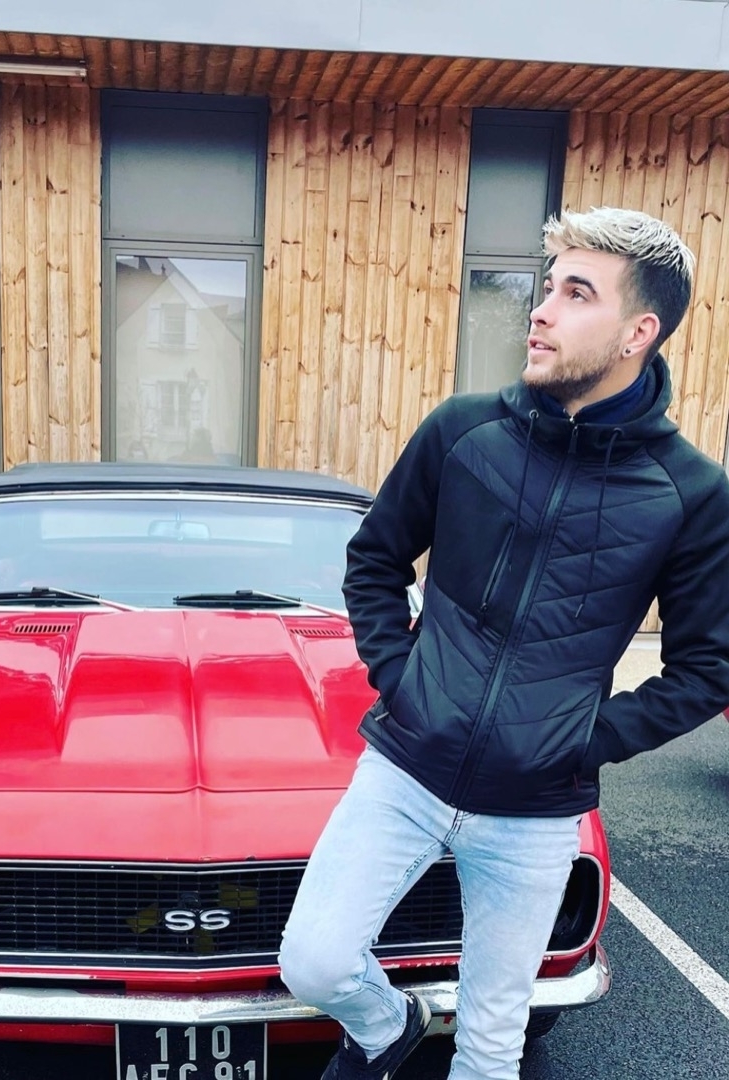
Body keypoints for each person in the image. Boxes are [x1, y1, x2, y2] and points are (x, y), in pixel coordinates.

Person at [278, 206, 729, 1080]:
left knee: (491, 1048)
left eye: (576, 293)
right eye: (546, 287)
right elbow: (375, 560)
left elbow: (708, 666)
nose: (541, 311)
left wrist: (584, 741)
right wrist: (403, 679)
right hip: (405, 770)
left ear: (639, 332)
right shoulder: (462, 431)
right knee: (315, 962)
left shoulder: (691, 493)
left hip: (536, 810)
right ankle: (387, 1028)